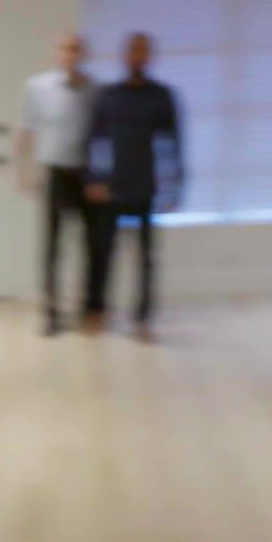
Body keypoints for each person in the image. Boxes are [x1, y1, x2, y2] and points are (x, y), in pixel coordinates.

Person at [83, 32, 183, 340]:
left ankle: (142, 319)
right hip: (110, 187)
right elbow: (95, 140)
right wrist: (94, 179)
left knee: (145, 257)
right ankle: (97, 311)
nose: (137, 56)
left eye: (143, 51)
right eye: (133, 51)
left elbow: (172, 144)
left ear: (150, 57)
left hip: (145, 186)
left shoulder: (162, 96)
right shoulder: (108, 95)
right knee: (102, 252)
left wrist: (173, 189)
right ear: (124, 56)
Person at [16, 32, 98, 336]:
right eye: (65, 48)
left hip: (86, 173)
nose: (70, 54)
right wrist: (24, 171)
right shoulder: (37, 87)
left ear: (84, 53)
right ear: (56, 52)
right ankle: (51, 312)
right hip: (55, 172)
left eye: (76, 49)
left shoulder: (96, 89)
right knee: (52, 246)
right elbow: (27, 130)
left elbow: (102, 135)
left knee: (90, 244)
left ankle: (87, 307)